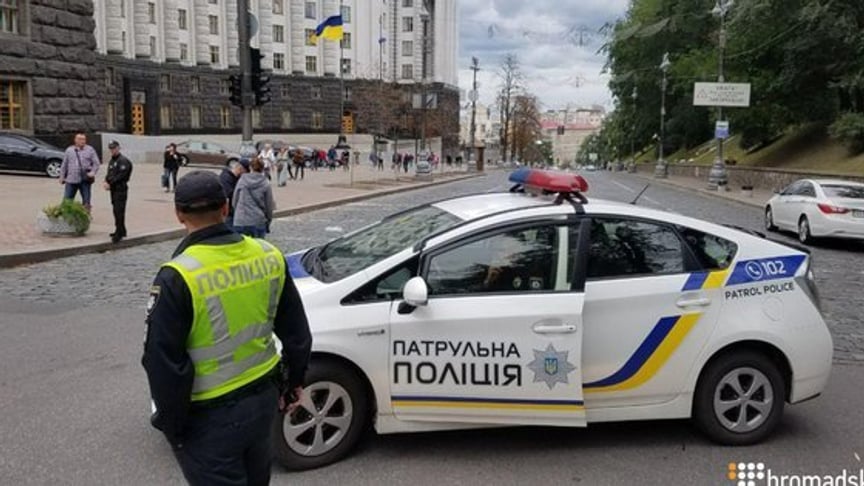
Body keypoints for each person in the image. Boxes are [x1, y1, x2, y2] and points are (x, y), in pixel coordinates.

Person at [142, 170, 311, 485]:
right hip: (263, 397)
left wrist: (173, 426)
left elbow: (162, 362)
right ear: (226, 207)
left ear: (179, 214)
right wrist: (293, 382)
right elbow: (297, 332)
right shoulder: (269, 255)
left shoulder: (178, 275)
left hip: (209, 414)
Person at [233, 157, 275, 238]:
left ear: (250, 167)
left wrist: (238, 213)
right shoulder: (265, 183)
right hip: (258, 220)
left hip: (241, 220)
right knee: (258, 245)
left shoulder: (242, 180)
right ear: (262, 168)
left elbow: (235, 200)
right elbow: (269, 205)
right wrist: (268, 220)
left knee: (241, 245)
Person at [59, 133, 100, 211]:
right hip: (71, 179)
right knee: (67, 201)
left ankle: (86, 214)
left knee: (86, 202)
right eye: (80, 139)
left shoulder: (90, 150)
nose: (82, 141)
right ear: (75, 140)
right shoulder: (69, 150)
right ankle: (66, 215)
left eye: (84, 139)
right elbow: (64, 164)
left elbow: (96, 163)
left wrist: (92, 172)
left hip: (84, 179)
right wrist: (62, 177)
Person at [102, 140, 133, 243]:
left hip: (120, 189)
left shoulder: (123, 161)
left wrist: (110, 183)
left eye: (114, 148)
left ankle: (119, 233)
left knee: (119, 211)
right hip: (114, 189)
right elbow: (109, 173)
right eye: (111, 148)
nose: (112, 150)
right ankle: (121, 230)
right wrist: (106, 180)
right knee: (116, 210)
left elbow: (121, 176)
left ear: (118, 148)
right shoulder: (112, 160)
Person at [218, 158, 250, 230]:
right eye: (246, 172)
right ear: (241, 169)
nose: (245, 175)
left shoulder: (236, 178)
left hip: (234, 213)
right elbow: (229, 195)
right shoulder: (226, 178)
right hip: (229, 214)